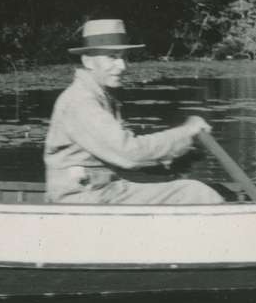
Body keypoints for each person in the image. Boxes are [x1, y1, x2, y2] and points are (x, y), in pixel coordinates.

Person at [43, 19, 225, 204]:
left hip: (104, 190)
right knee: (195, 193)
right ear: (88, 61)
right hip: (84, 198)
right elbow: (129, 154)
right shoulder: (81, 102)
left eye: (124, 57)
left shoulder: (99, 95)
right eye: (112, 57)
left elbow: (121, 156)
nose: (123, 66)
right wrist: (185, 132)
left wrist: (181, 152)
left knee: (195, 185)